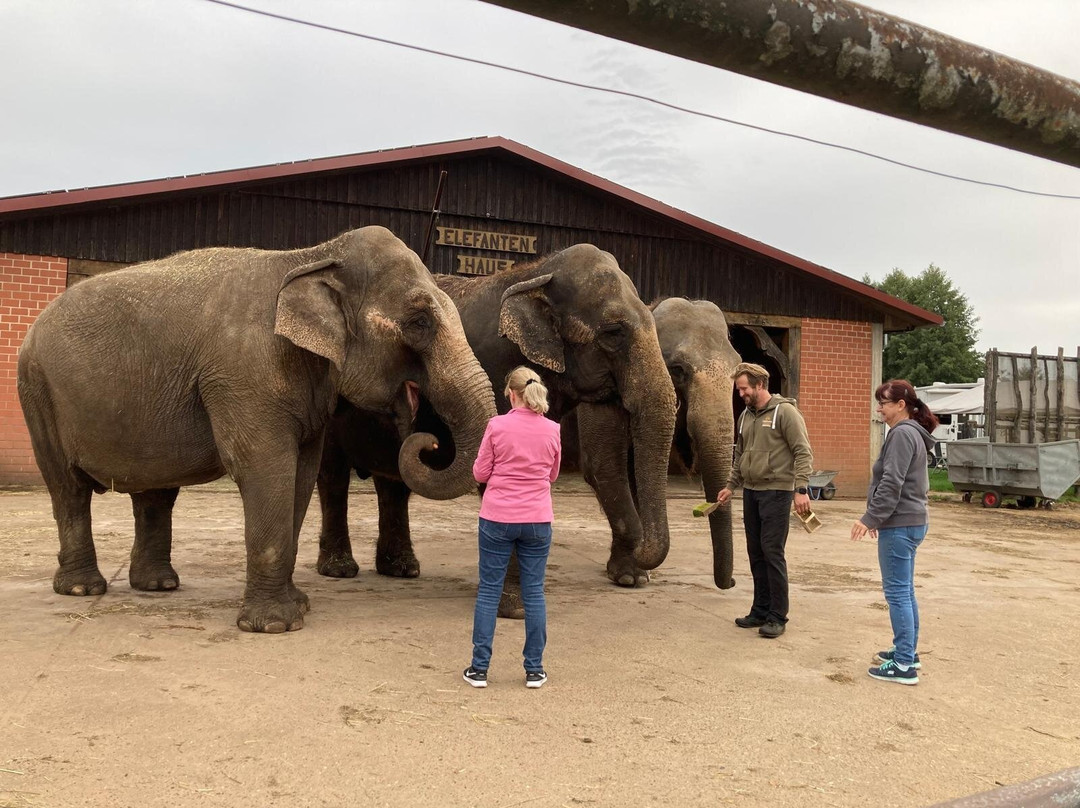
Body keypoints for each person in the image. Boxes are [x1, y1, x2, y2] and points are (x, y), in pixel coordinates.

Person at [464, 366, 562, 689]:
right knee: (534, 592)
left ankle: (479, 669)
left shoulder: (496, 426)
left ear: (511, 393)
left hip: (497, 518)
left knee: (489, 590)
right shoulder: (553, 430)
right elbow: (552, 475)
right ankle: (534, 670)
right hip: (537, 520)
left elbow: (480, 473)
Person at [716, 362, 813, 638]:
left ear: (760, 385)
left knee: (772, 552)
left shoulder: (786, 413)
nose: (741, 393)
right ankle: (759, 610)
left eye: (744, 388)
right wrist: (730, 485)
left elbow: (803, 452)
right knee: (755, 552)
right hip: (752, 491)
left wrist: (801, 488)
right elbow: (740, 455)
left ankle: (777, 615)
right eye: (739, 389)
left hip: (777, 492)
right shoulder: (746, 416)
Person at [851, 380, 938, 686]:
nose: (880, 409)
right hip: (909, 521)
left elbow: (892, 483)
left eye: (884, 403)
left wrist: (871, 518)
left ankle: (903, 665)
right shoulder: (910, 432)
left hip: (901, 523)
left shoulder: (901, 434)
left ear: (901, 405)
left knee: (898, 592)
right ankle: (907, 652)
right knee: (906, 590)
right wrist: (880, 519)